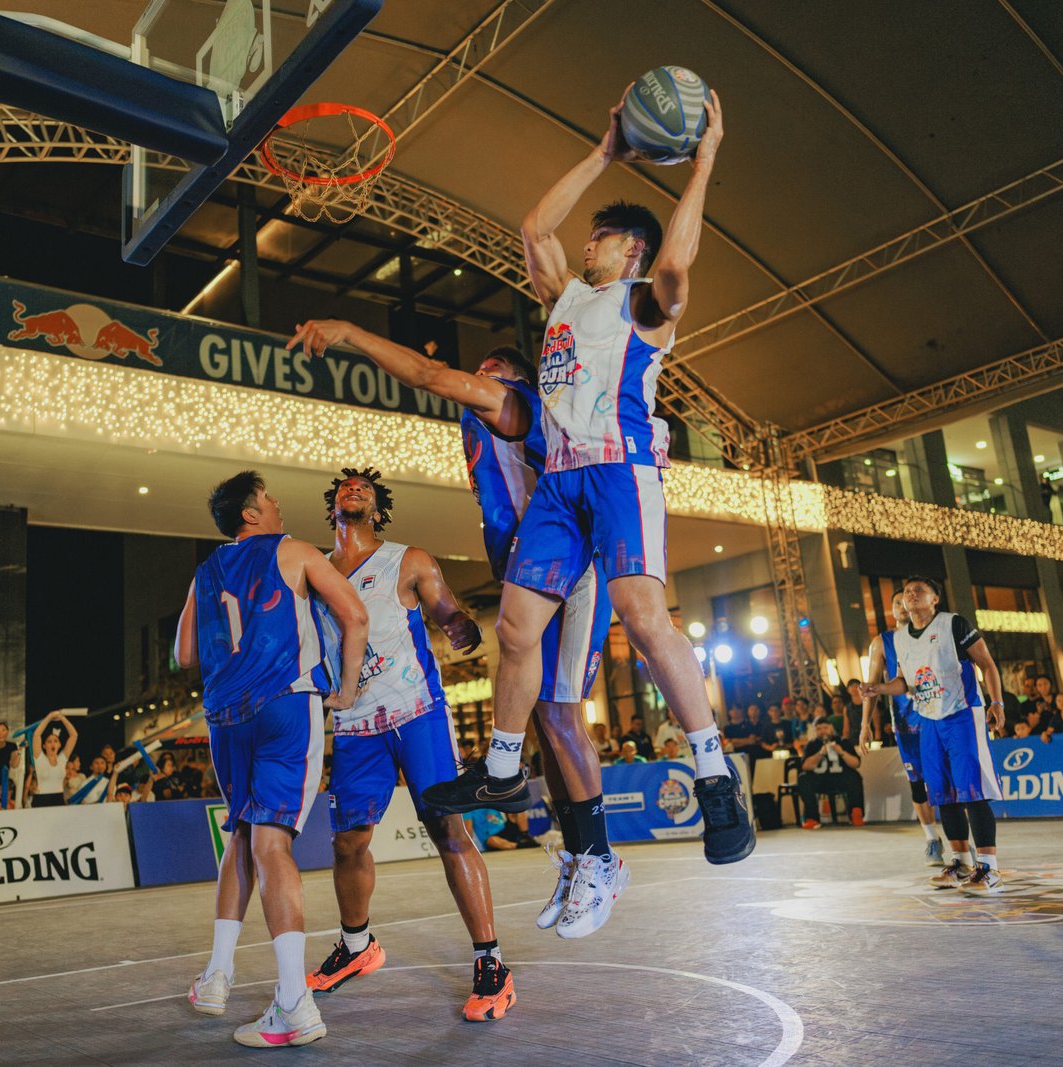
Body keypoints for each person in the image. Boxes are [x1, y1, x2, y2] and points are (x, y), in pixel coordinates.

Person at [417, 86, 751, 881]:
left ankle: (713, 772)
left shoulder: (645, 305)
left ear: (626, 251)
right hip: (562, 484)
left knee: (642, 615)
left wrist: (703, 159)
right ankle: (502, 763)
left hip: (620, 469)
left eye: (601, 239)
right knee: (516, 627)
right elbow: (534, 227)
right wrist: (605, 149)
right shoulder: (565, 298)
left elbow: (678, 260)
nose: (588, 244)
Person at [285, 322, 614, 938]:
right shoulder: (316, 566)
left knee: (560, 716)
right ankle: (574, 856)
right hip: (371, 704)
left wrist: (351, 333)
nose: (480, 381)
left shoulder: (515, 407)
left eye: (492, 372)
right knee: (542, 717)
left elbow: (429, 375)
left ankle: (596, 858)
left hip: (565, 571)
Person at [303, 468, 516, 1019]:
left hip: (415, 712)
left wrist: (459, 624)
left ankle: (491, 962)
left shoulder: (408, 559)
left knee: (448, 830)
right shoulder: (314, 572)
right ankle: (357, 947)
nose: (354, 489)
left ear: (376, 510)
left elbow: (444, 608)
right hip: (353, 724)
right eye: (345, 486)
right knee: (348, 843)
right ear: (333, 508)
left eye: (365, 489)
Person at [176, 470, 367, 1048]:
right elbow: (354, 615)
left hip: (226, 717)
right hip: (285, 704)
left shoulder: (204, 571)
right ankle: (293, 1001)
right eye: (270, 500)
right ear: (251, 514)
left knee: (240, 836)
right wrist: (348, 688)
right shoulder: (296, 551)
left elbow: (185, 653)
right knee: (271, 843)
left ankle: (217, 976)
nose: (278, 507)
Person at [858, 575, 1008, 895]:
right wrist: (879, 688)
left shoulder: (953, 624)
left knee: (972, 790)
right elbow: (904, 683)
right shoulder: (899, 638)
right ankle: (959, 861)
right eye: (907, 591)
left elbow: (988, 664)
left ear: (934, 599)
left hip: (963, 714)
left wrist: (997, 702)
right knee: (942, 793)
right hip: (928, 720)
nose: (911, 594)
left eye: (919, 591)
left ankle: (989, 867)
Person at [861, 592, 944, 865]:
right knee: (918, 785)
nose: (903, 606)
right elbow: (872, 687)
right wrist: (865, 725)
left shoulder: (936, 633)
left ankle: (960, 840)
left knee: (946, 779)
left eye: (907, 601)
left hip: (938, 715)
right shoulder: (882, 643)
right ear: (892, 610)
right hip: (907, 723)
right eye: (896, 602)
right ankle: (932, 837)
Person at [797, 721, 864, 829]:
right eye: (819, 729)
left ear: (832, 728)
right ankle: (812, 818)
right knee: (803, 778)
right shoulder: (812, 744)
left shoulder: (843, 741)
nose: (822, 731)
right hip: (820, 780)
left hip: (840, 778)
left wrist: (841, 752)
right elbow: (805, 766)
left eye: (825, 728)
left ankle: (856, 813)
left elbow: (856, 763)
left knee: (854, 776)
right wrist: (820, 753)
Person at [27, 711, 78, 809]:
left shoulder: (62, 759)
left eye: (55, 741)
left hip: (58, 798)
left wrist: (62, 718)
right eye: (49, 741)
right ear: (44, 746)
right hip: (41, 799)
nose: (53, 744)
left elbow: (74, 735)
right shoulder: (39, 757)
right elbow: (37, 735)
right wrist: (49, 717)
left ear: (59, 745)